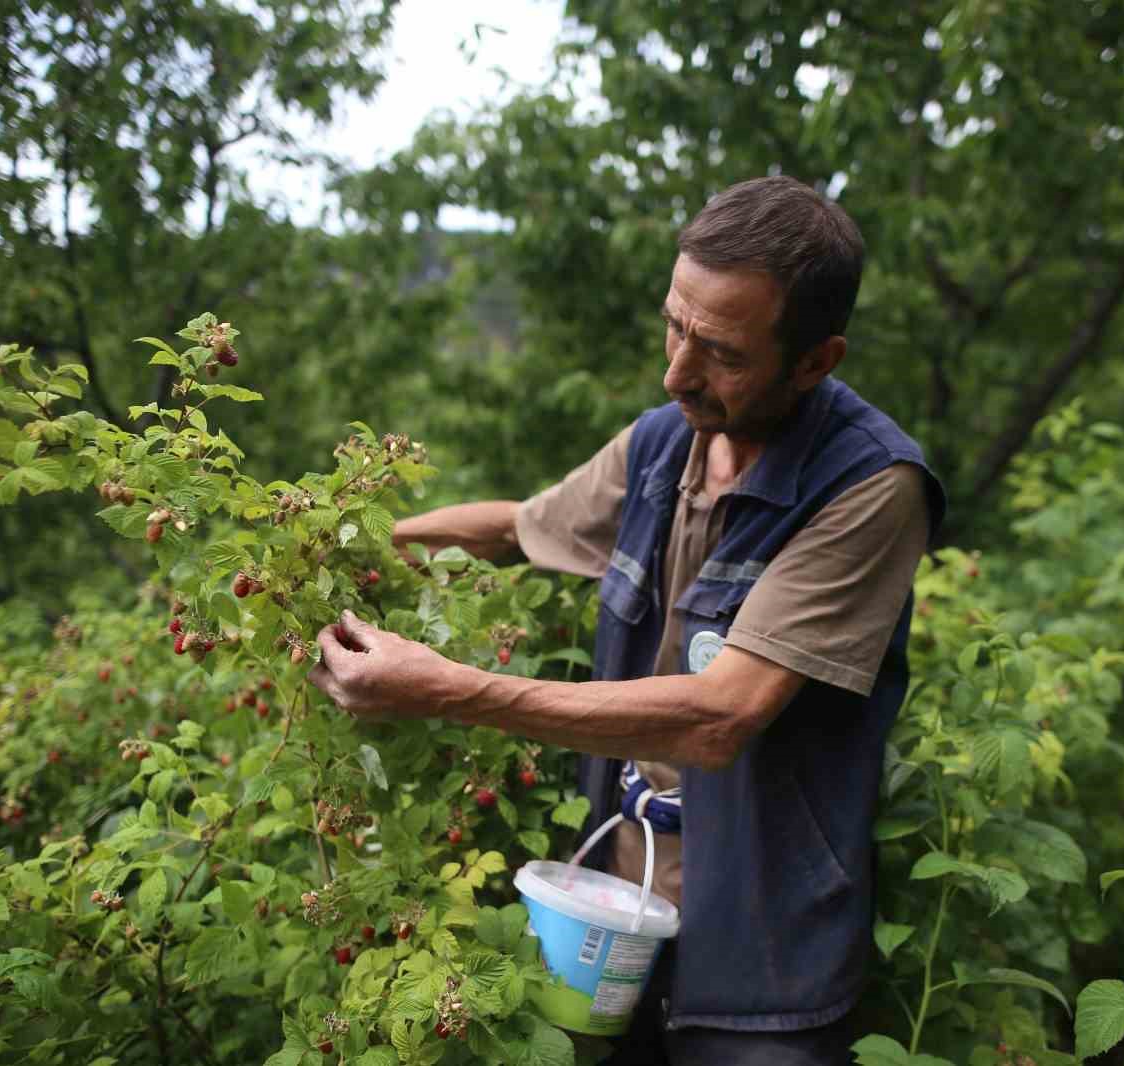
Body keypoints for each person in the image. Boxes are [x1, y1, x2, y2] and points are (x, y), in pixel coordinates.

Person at [307, 175, 945, 1065]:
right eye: (675, 325)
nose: (676, 370)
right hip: (610, 913)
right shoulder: (663, 443)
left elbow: (722, 717)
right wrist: (335, 544)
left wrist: (444, 689)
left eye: (721, 352)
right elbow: (517, 529)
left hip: (763, 956)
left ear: (815, 361)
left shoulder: (870, 487)